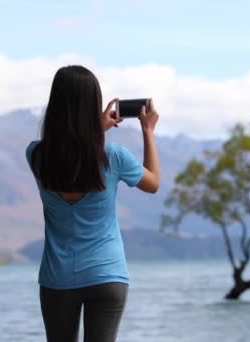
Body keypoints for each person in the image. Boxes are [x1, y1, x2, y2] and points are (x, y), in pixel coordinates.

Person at [25, 65, 160, 342]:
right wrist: (148, 130)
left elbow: (71, 152)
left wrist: (95, 130)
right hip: (106, 274)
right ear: (93, 105)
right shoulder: (114, 155)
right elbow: (153, 183)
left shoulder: (37, 155)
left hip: (57, 279)